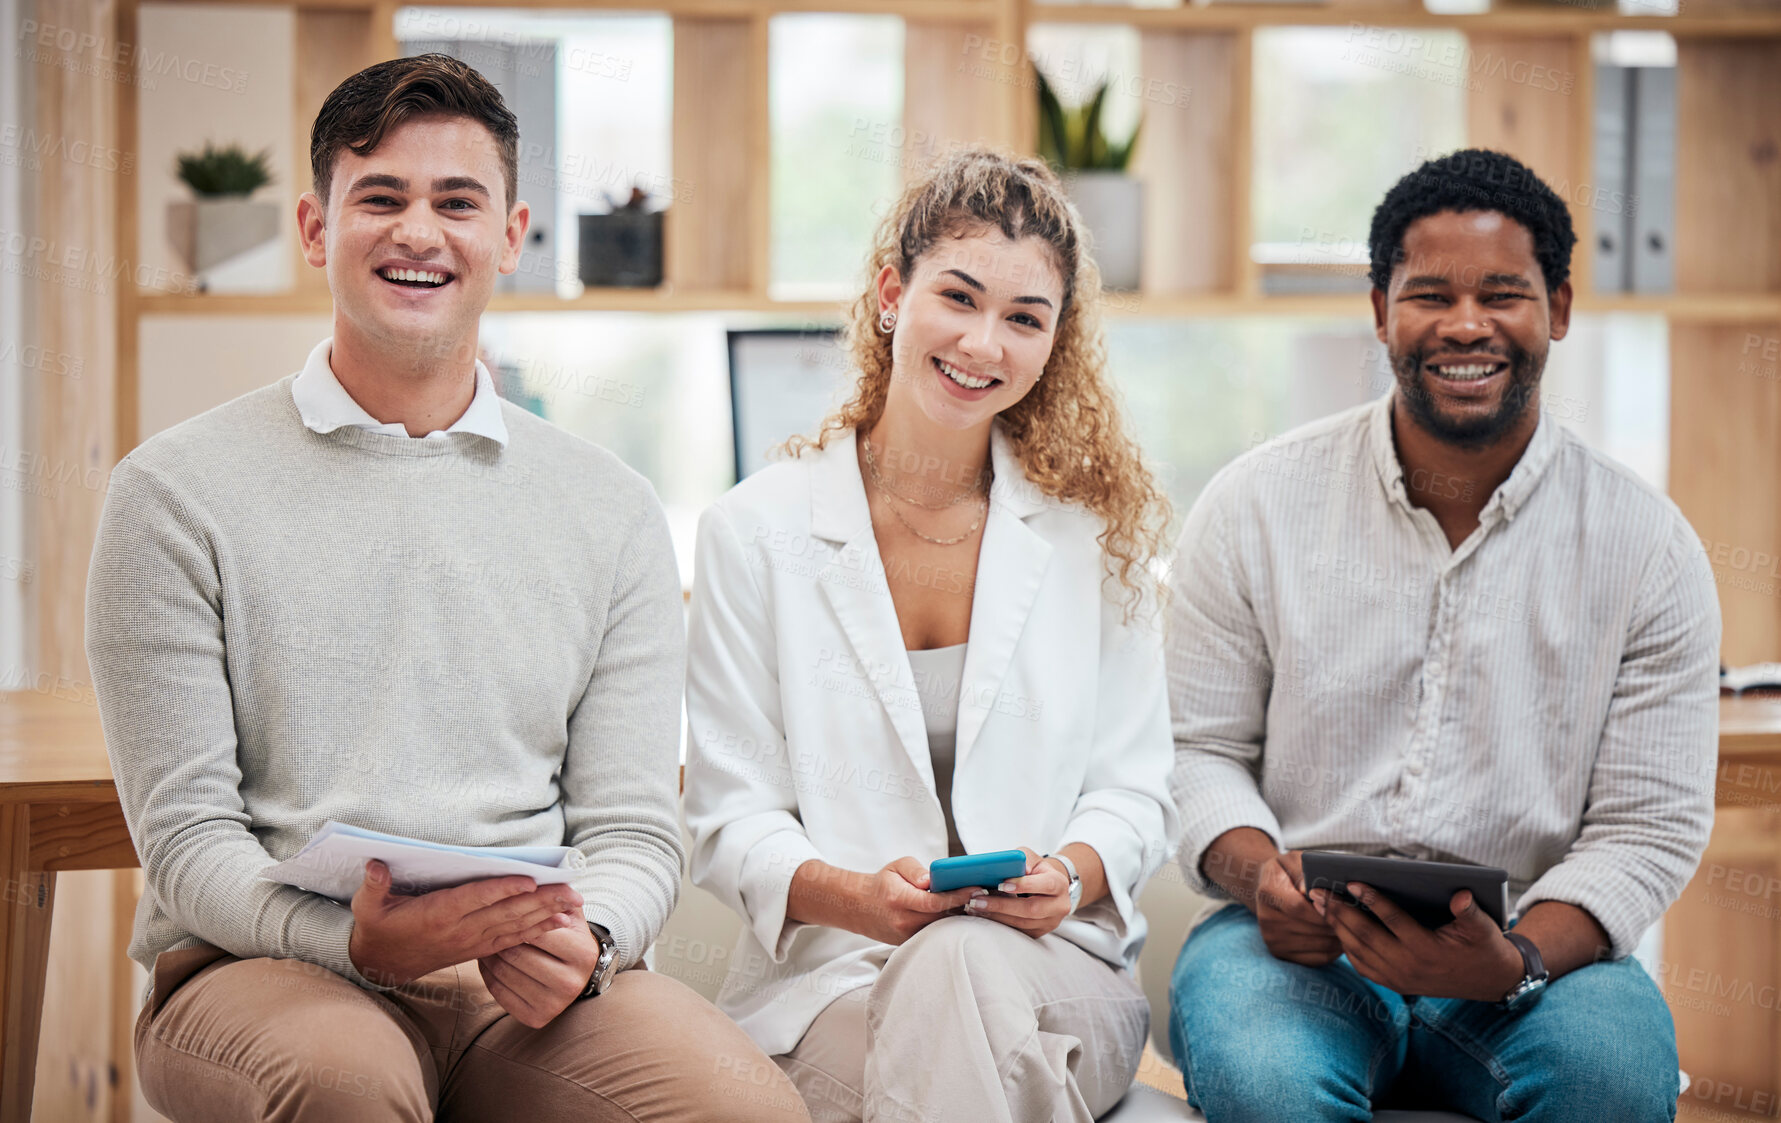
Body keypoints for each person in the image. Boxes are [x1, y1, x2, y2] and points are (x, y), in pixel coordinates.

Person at [86, 54, 807, 1123]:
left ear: (510, 236)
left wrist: (592, 942)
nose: (418, 232)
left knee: (744, 1107)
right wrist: (348, 940)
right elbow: (189, 845)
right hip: (257, 967)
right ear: (316, 229)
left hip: (514, 982)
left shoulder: (607, 506)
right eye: (380, 197)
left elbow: (633, 826)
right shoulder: (171, 494)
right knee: (346, 1083)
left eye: (455, 202)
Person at [1164, 148, 1719, 1123]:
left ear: (1557, 309)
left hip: (1534, 954)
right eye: (1429, 295)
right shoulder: (1251, 505)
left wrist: (1519, 956)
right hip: (1293, 945)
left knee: (1610, 1087)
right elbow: (1192, 749)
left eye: (1501, 294)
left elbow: (1646, 824)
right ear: (1379, 311)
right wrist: (1263, 880)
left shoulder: (1647, 547)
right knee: (1266, 1087)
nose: (1465, 324)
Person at [682, 147, 1180, 1123]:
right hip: (836, 975)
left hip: (1053, 967)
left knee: (956, 967)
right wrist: (857, 897)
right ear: (888, 295)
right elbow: (730, 815)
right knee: (947, 1024)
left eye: (1023, 318)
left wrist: (1069, 874)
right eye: (957, 297)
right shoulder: (753, 531)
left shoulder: (1091, 536)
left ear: (1053, 343)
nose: (983, 343)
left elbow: (1135, 787)